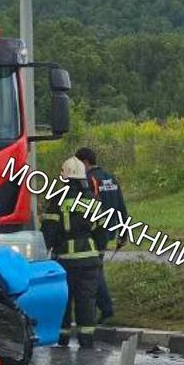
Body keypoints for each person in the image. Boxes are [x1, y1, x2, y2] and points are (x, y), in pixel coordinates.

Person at [41, 156, 108, 349]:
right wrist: (100, 250)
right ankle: (86, 339)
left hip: (64, 261)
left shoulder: (56, 199)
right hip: (89, 260)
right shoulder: (92, 199)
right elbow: (101, 230)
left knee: (63, 300)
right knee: (86, 300)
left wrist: (48, 249)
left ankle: (62, 338)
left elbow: (49, 231)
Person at [75, 147, 129, 323]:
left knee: (94, 272)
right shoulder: (110, 178)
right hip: (110, 229)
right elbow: (121, 206)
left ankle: (106, 309)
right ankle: (103, 309)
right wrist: (124, 232)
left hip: (96, 232)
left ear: (85, 162)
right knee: (95, 270)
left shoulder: (90, 180)